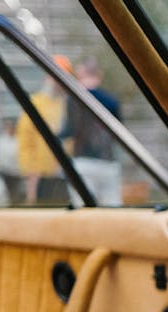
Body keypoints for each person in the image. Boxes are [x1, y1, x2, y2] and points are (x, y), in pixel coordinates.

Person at [60, 57, 123, 206]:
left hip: (83, 162)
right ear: (98, 75)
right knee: (112, 209)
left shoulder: (73, 100)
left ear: (80, 75)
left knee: (82, 209)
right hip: (108, 162)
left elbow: (68, 130)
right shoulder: (111, 101)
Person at [15, 55, 71, 205]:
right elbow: (25, 139)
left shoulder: (66, 104)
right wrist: (30, 172)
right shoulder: (36, 103)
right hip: (41, 174)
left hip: (64, 173)